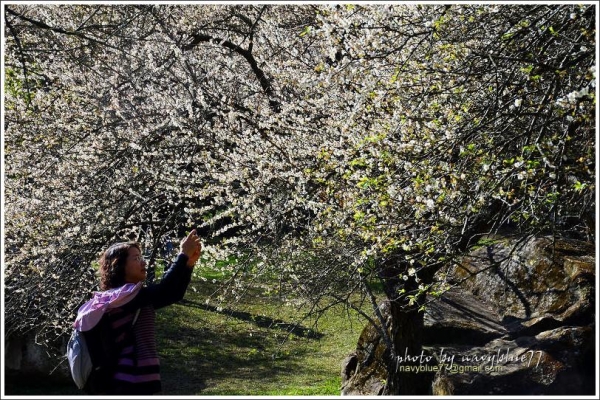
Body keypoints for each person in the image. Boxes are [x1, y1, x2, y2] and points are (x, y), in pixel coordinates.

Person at [74, 229, 202, 395]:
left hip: (141, 380)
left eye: (142, 258)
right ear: (118, 265)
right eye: (136, 258)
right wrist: (182, 255)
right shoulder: (120, 298)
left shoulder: (131, 297)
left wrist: (188, 264)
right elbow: (163, 290)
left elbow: (173, 294)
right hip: (128, 382)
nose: (143, 263)